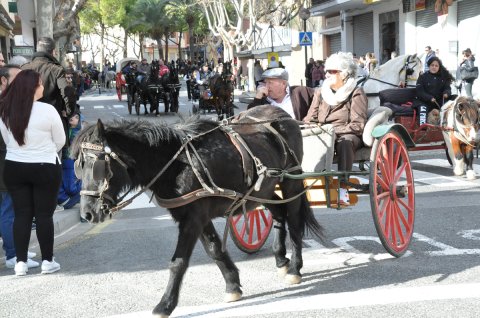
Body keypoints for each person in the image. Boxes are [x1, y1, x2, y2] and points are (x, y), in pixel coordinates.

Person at [0, 69, 65, 276]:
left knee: (21, 214)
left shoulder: (5, 110)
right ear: (32, 88)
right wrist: (45, 151)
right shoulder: (47, 110)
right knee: (44, 215)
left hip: (14, 166)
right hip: (44, 166)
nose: (43, 87)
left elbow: (7, 139)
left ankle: (20, 262)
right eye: (40, 83)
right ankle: (47, 261)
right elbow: (60, 140)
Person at [303, 52, 368, 205]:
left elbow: (358, 125)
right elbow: (309, 118)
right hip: (322, 132)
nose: (326, 74)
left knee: (345, 143)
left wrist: (333, 131)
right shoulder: (320, 92)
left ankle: (344, 187)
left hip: (347, 134)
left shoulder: (356, 93)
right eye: (326, 71)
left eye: (332, 71)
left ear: (344, 74)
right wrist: (311, 127)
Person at [0, 65, 39, 270]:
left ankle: (16, 248)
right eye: (16, 78)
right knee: (9, 210)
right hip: (6, 165)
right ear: (4, 81)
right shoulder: (3, 104)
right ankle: (13, 254)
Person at [21, 37, 75, 123]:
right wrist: (69, 112)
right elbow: (67, 92)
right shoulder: (57, 70)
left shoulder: (23, 68)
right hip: (53, 118)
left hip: (27, 119)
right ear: (53, 52)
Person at [247, 67, 315, 120]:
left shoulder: (299, 92)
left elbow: (321, 95)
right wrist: (257, 98)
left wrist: (310, 116)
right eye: (265, 83)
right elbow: (249, 119)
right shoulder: (262, 101)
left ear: (283, 84)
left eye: (270, 83)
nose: (266, 86)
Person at [415, 56, 453, 125]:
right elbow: (419, 91)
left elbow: (447, 88)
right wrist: (429, 97)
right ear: (429, 66)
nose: (434, 67)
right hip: (423, 102)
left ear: (439, 67)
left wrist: (446, 93)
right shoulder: (422, 76)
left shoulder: (443, 77)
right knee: (423, 111)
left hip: (438, 102)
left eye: (436, 66)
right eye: (432, 65)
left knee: (449, 110)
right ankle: (423, 128)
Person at [57, 111, 82, 209]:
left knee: (71, 188)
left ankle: (84, 188)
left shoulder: (77, 131)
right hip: (64, 159)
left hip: (69, 159)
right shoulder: (66, 127)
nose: (71, 119)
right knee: (67, 185)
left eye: (76, 117)